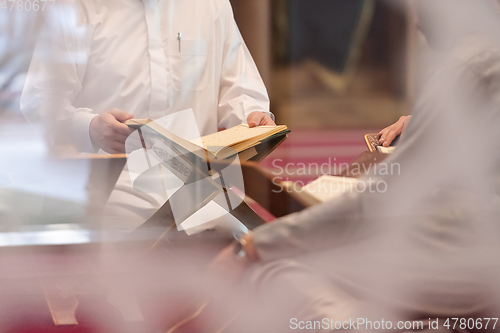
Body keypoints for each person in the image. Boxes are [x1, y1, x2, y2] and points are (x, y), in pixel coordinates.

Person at [209, 1, 500, 331]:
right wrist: (427, 124)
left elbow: (380, 200)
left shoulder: (468, 66)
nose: (415, 19)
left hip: (474, 260)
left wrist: (255, 246)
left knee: (282, 266)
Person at [21, 0, 275, 230]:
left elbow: (240, 88)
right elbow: (37, 101)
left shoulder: (210, 5)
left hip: (196, 193)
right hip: (105, 197)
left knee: (254, 257)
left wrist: (253, 116)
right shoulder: (76, 6)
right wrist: (89, 128)